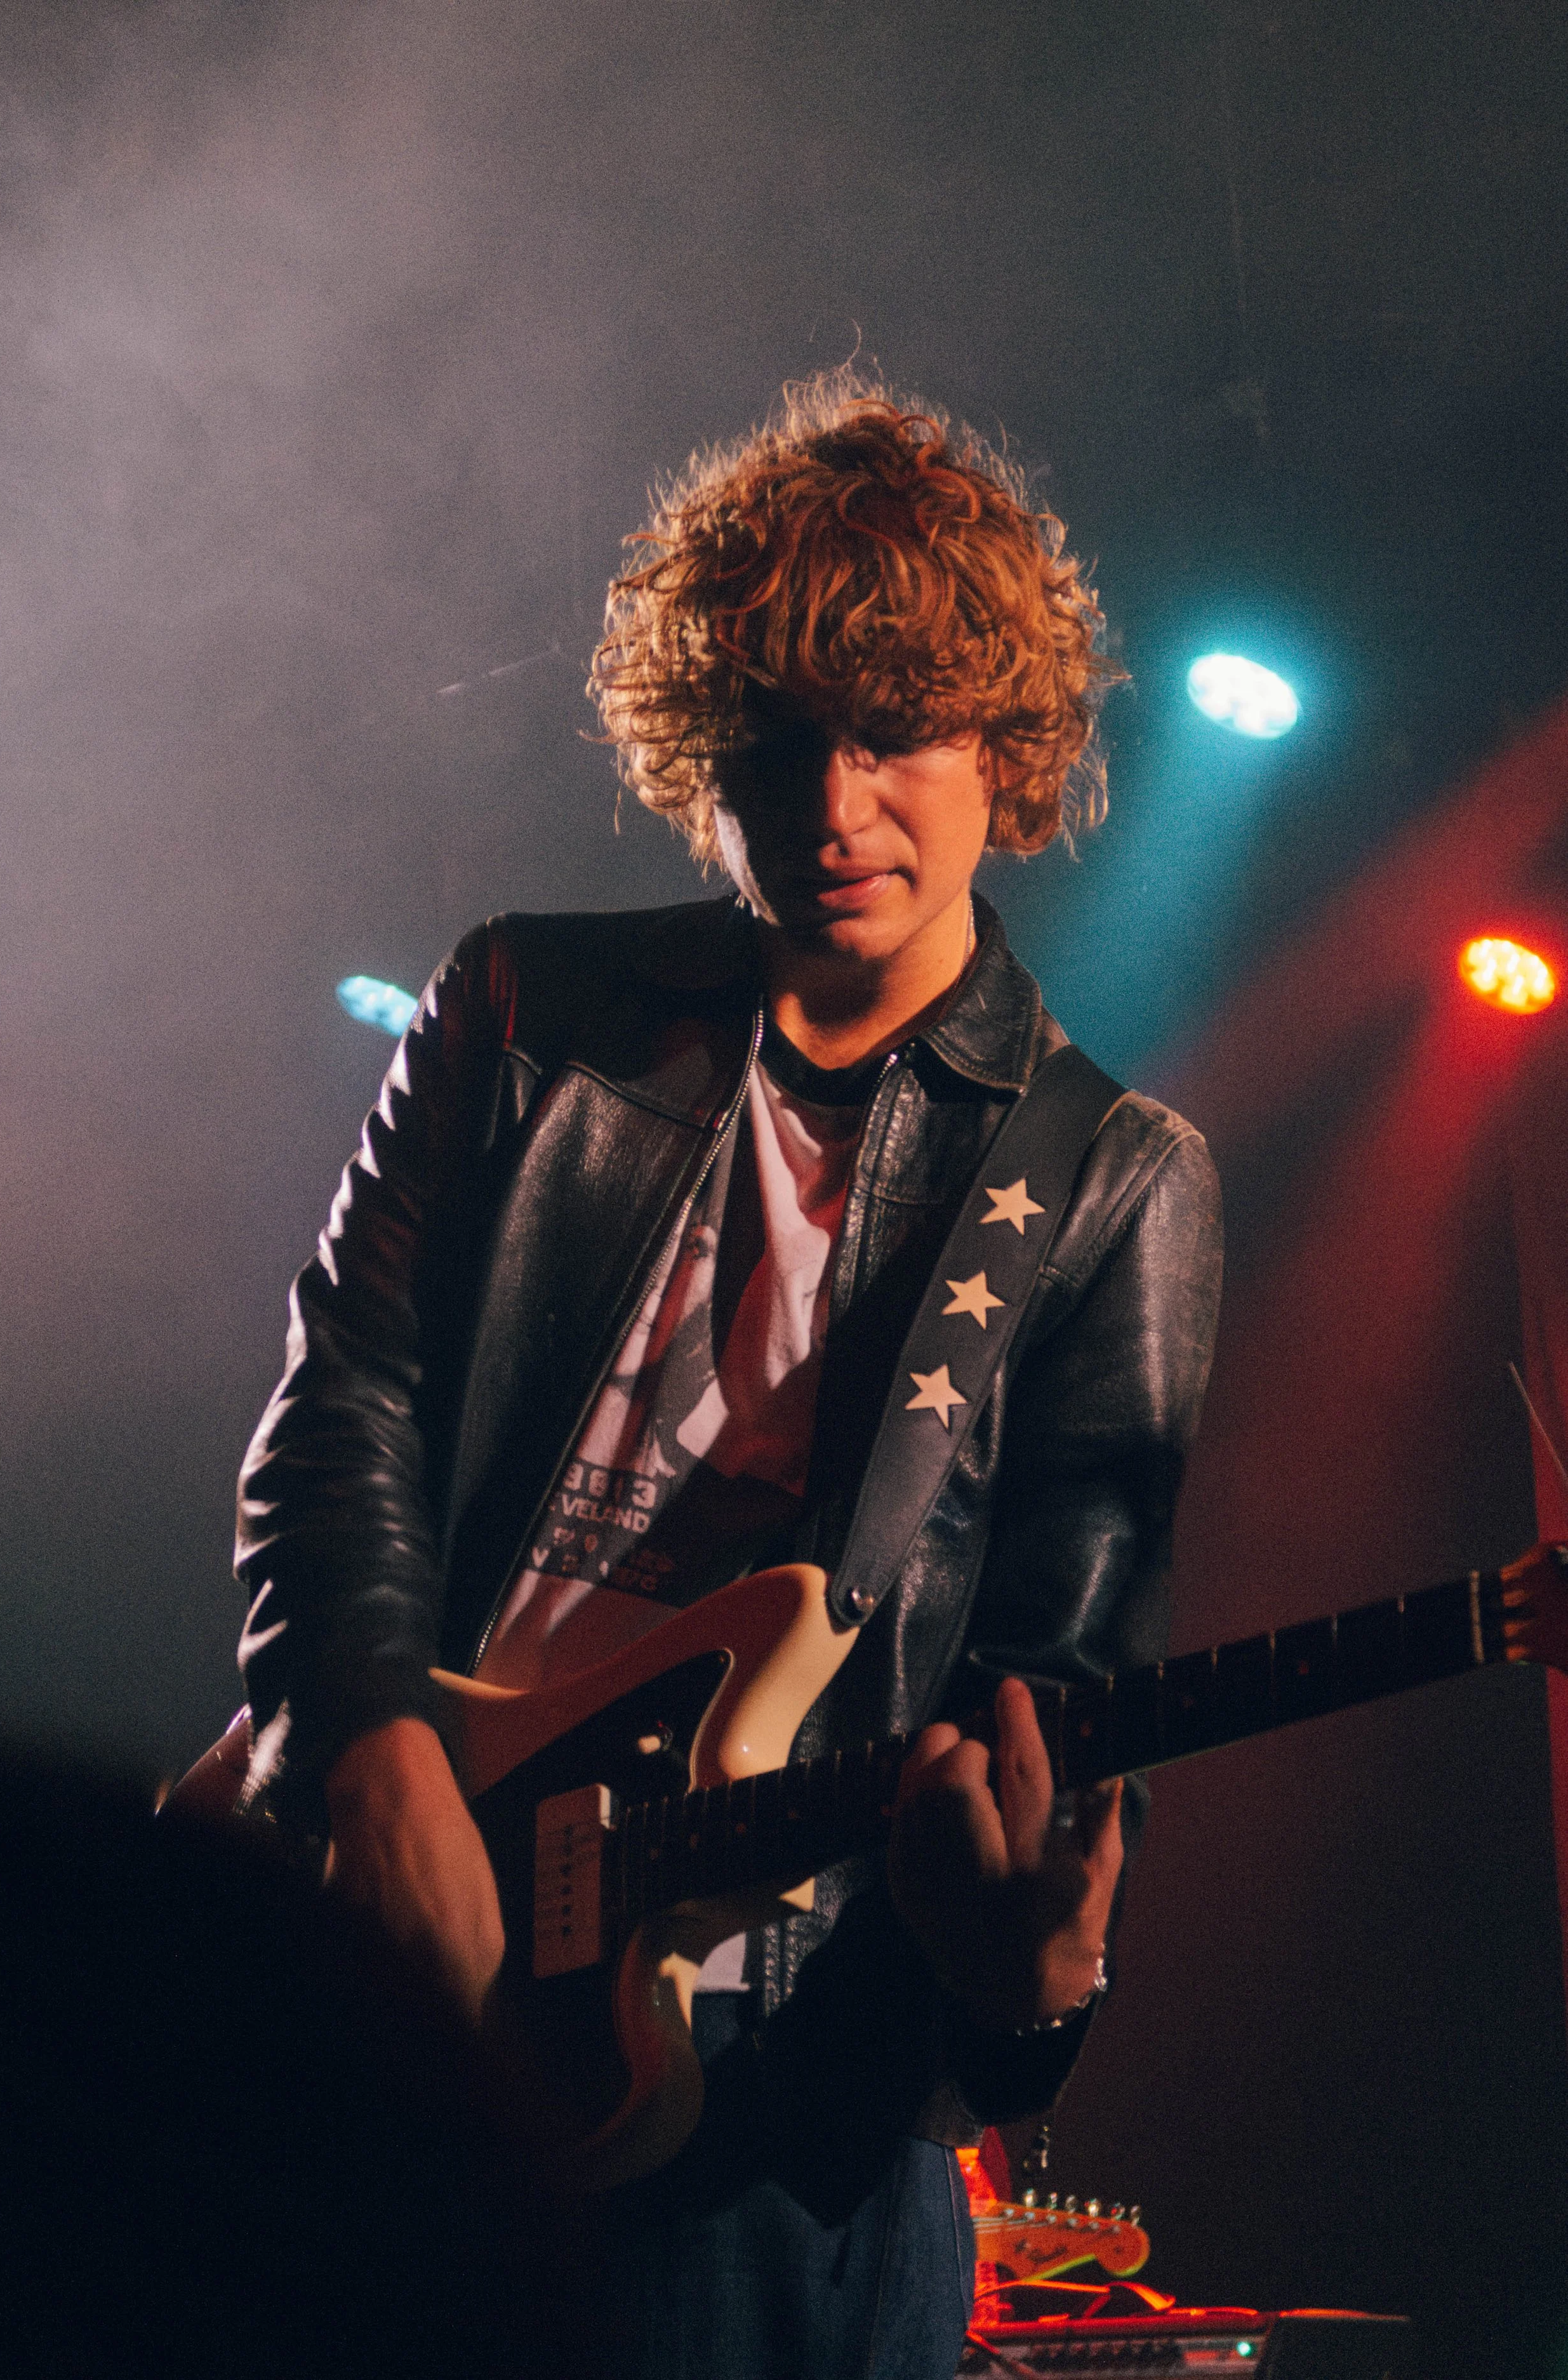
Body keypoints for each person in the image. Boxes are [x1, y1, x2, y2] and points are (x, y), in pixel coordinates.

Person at [234, 374, 1223, 2378]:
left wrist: (1026, 1978)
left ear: (1007, 748)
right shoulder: (525, 1002)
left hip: (765, 2104)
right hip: (394, 1933)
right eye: (782, 742)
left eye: (896, 735)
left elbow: (1050, 1693)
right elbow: (342, 1399)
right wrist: (366, 1742)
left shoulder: (1111, 1178)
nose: (833, 805)